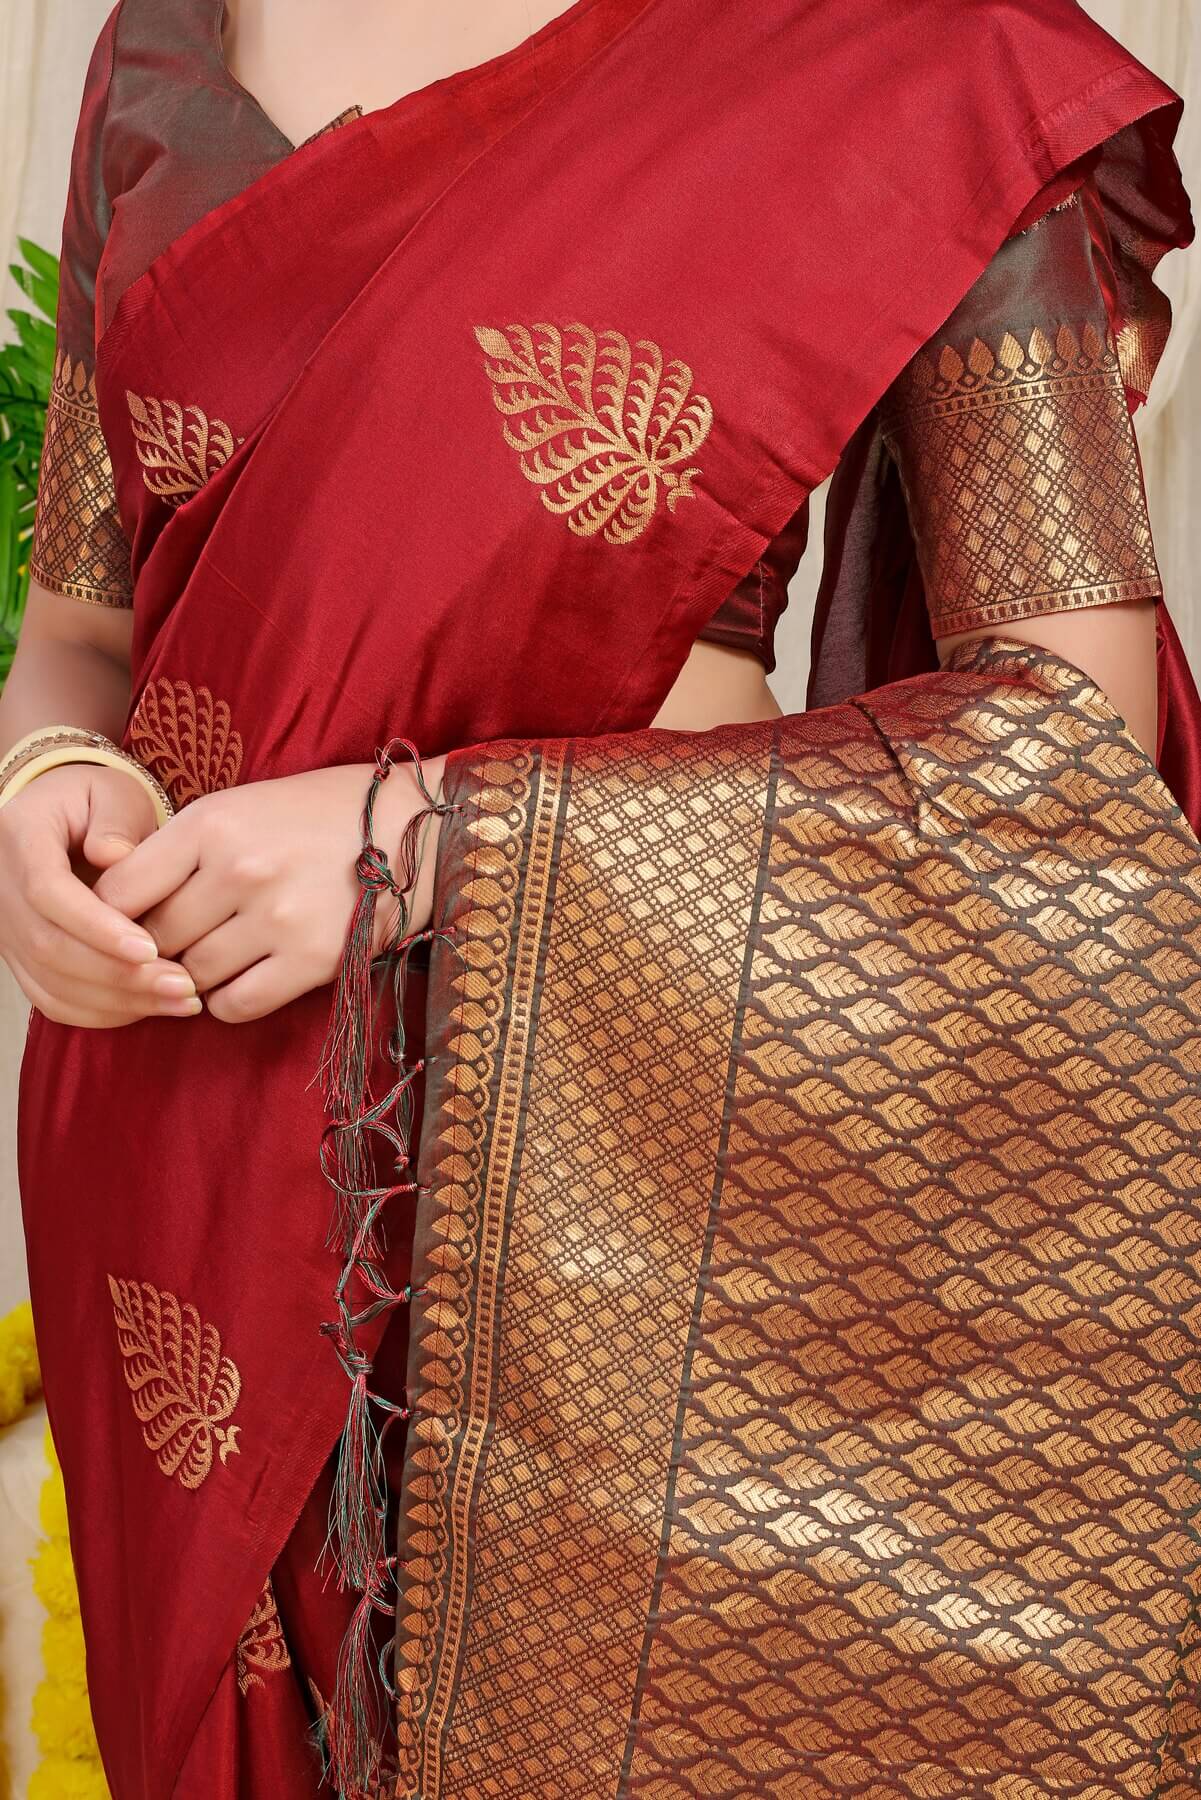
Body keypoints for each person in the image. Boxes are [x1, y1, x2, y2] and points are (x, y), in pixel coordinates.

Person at [3, 0, 1201, 1794]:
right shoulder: (170, 36)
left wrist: (428, 841)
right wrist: (40, 786)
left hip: (624, 1176)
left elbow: (1071, 750)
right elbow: (80, 638)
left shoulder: (917, 61)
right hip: (183, 1143)